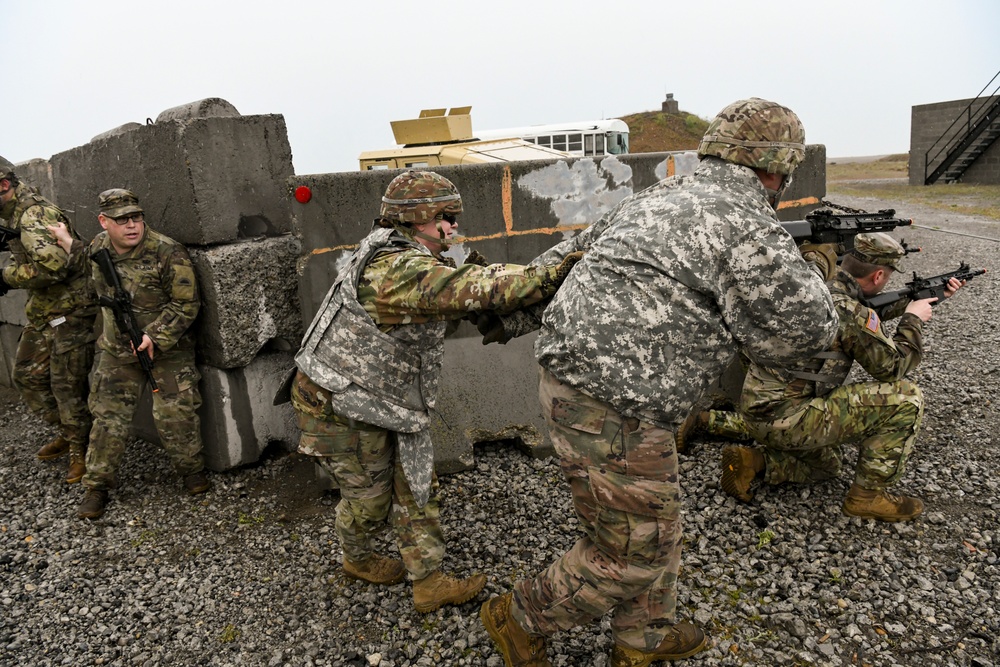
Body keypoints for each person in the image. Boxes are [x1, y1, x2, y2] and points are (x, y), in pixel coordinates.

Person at [477, 97, 841, 667]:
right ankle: (519, 616)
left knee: (655, 519)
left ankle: (642, 637)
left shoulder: (656, 195)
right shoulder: (749, 225)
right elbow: (807, 336)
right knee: (631, 552)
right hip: (614, 403)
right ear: (777, 169)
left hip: (585, 383)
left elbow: (569, 255)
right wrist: (817, 267)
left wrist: (506, 311)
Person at [290, 170, 583, 615]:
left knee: (416, 484)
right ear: (419, 218)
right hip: (338, 401)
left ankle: (427, 583)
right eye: (447, 216)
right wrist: (548, 277)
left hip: (385, 396)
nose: (454, 227)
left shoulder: (409, 255)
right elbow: (471, 289)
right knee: (369, 504)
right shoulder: (398, 267)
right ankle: (359, 557)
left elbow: (455, 290)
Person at [720, 232, 963, 522]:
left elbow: (865, 312)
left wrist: (927, 297)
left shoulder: (816, 285)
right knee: (906, 399)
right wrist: (912, 319)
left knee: (829, 466)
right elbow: (893, 366)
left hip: (757, 406)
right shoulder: (849, 310)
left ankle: (752, 460)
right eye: (887, 278)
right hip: (786, 419)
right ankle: (866, 499)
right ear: (878, 276)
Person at [61, 188, 211, 520]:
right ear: (103, 222)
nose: (132, 226)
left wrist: (155, 336)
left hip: (167, 349)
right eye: (122, 220)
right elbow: (82, 257)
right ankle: (97, 485)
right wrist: (64, 240)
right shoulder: (98, 248)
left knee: (176, 414)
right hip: (117, 350)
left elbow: (187, 303)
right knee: (108, 419)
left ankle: (191, 471)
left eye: (136, 217)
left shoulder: (168, 252)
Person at [0, 157, 96, 484]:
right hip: (45, 310)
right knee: (26, 375)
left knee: (66, 385)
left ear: (3, 186)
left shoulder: (33, 214)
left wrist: (6, 276)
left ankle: (82, 451)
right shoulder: (11, 213)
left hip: (71, 310)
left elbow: (54, 267)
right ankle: (72, 432)